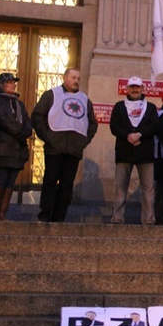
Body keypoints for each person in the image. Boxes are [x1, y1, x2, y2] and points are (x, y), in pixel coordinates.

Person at [32, 68, 98, 222]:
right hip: (55, 147)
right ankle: (45, 214)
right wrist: (48, 137)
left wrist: (83, 141)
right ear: (64, 77)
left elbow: (92, 123)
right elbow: (37, 116)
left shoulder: (84, 100)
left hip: (74, 150)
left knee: (67, 185)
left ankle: (60, 216)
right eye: (73, 77)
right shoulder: (51, 95)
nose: (76, 81)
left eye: (78, 78)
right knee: (50, 181)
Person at [109, 76, 159, 225]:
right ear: (127, 89)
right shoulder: (119, 106)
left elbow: (155, 126)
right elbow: (114, 126)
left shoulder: (150, 107)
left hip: (145, 153)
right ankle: (117, 218)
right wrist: (128, 135)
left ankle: (148, 219)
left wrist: (139, 134)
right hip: (124, 152)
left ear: (143, 89)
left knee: (148, 189)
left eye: (138, 87)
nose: (135, 90)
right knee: (120, 187)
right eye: (132, 87)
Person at [0, 73, 32, 221]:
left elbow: (27, 120)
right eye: (9, 82)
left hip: (17, 149)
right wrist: (18, 132)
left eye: (13, 82)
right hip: (2, 147)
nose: (13, 85)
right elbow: (2, 119)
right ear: (1, 85)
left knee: (10, 182)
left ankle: (3, 212)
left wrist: (25, 131)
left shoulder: (19, 104)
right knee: (0, 179)